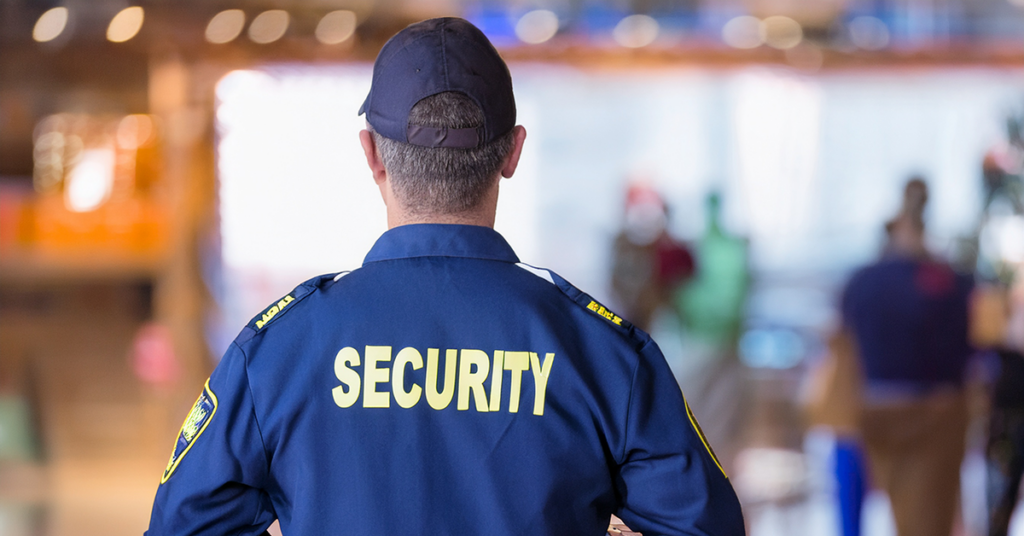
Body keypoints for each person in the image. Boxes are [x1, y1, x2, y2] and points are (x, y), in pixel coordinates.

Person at [145, 17, 744, 536]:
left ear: (371, 155)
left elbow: (184, 523)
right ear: (512, 152)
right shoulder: (604, 353)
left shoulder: (276, 351)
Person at [841, 178, 974, 536]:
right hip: (933, 410)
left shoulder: (862, 281)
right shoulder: (948, 280)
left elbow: (842, 340)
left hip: (875, 407)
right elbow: (972, 344)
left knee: (904, 509)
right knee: (927, 521)